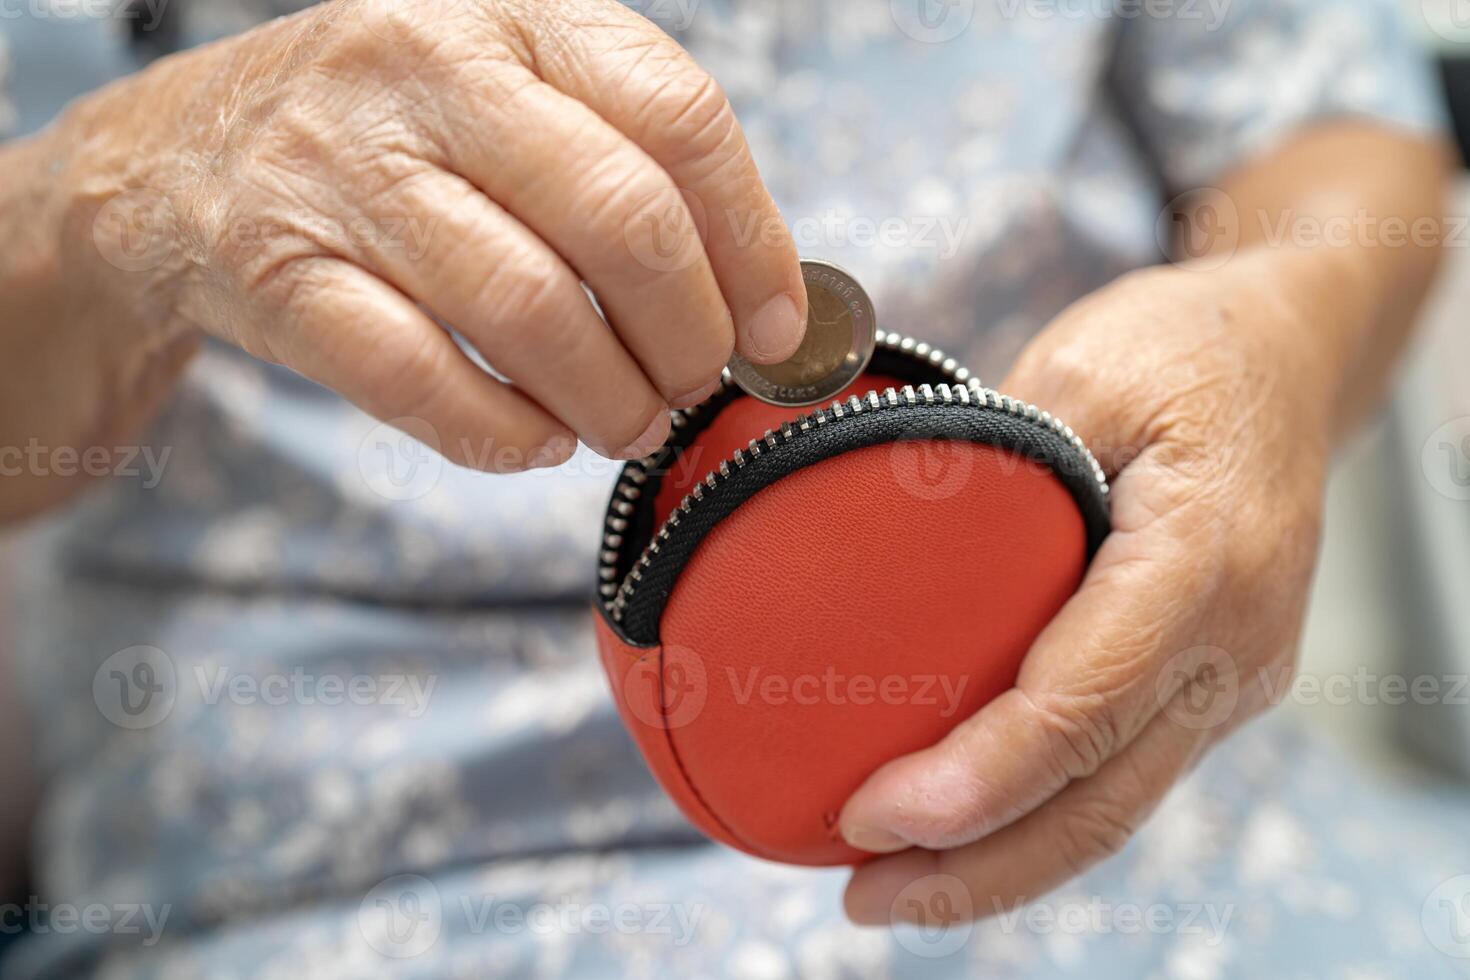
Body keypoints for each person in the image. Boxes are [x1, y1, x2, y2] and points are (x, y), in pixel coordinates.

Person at [0, 0, 1465, 976]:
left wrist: (1280, 326)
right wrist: (106, 193)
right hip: (347, 882)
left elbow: (1324, 126)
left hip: (1121, 787)